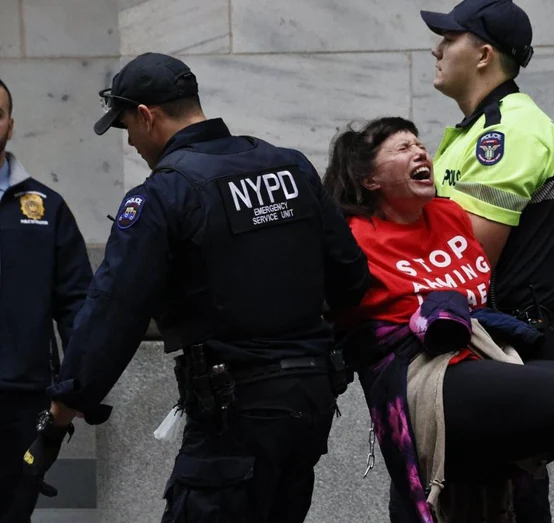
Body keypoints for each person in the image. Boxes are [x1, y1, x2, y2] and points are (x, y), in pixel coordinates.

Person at [16, 53, 370, 523]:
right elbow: (351, 277)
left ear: (147, 116)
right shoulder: (290, 166)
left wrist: (61, 413)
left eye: (127, 129)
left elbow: (114, 312)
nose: (134, 146)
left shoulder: (164, 194)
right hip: (310, 403)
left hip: (235, 414)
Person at [323, 116, 554, 523]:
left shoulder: (449, 215)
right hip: (425, 377)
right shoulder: (352, 238)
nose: (419, 152)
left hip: (489, 358)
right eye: (401, 148)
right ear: (370, 179)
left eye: (420, 145)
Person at [420, 0, 554, 519]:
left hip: (509, 349)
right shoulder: (476, 130)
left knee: (498, 505)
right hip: (493, 347)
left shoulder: (507, 132)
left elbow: (463, 262)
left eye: (449, 38)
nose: (437, 49)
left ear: (483, 54)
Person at [0, 78, 92, 521]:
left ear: (10, 124)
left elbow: (77, 305)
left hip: (22, 402)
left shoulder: (46, 207)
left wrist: (75, 391)